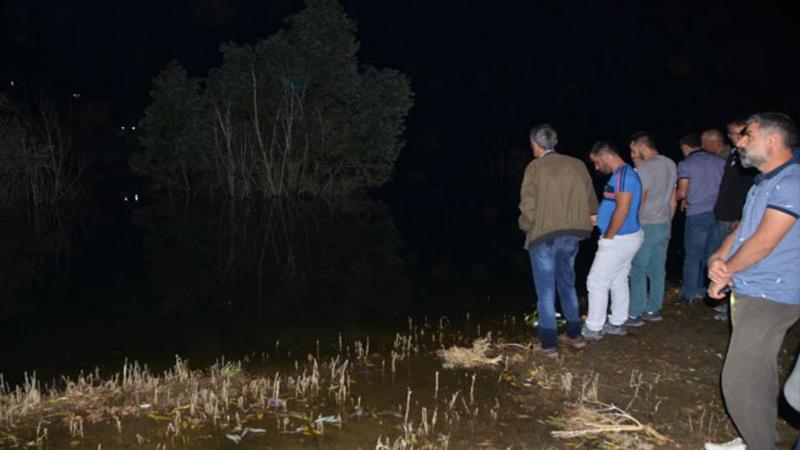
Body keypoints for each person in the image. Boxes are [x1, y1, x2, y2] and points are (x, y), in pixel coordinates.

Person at [704, 112, 800, 450]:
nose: (741, 142)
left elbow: (763, 243)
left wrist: (728, 269)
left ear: (772, 140)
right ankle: (758, 438)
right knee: (758, 376)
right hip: (751, 288)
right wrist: (719, 260)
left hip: (772, 294)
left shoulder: (792, 182)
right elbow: (743, 232)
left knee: (739, 381)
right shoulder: (763, 183)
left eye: (749, 135)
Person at [518, 124, 598, 357]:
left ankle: (549, 343)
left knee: (545, 291)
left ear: (535, 144)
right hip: (572, 235)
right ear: (556, 141)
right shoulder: (577, 164)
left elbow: (528, 205)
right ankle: (575, 334)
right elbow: (591, 198)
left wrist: (526, 227)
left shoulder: (535, 167)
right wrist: (591, 215)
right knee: (568, 284)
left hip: (544, 236)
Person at [582, 141, 643, 340]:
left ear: (606, 156)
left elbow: (623, 209)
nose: (597, 167)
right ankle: (617, 322)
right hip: (626, 236)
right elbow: (617, 205)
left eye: (597, 162)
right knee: (618, 280)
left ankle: (593, 327)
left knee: (596, 281)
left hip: (618, 239)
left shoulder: (624, 175)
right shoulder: (621, 175)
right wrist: (599, 218)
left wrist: (608, 236)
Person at [626, 132, 677, 325]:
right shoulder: (670, 163)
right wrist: (668, 222)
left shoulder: (645, 168)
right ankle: (653, 309)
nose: (631, 154)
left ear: (641, 147)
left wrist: (633, 225)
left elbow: (641, 199)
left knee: (638, 269)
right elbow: (673, 198)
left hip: (646, 225)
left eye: (633, 150)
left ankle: (635, 313)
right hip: (664, 223)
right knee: (657, 269)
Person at [710, 119, 758, 321]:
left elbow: (749, 190)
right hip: (723, 215)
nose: (738, 139)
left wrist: (740, 218)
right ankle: (725, 301)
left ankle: (735, 305)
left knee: (735, 260)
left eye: (742, 134)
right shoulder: (732, 155)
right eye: (734, 134)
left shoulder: (752, 159)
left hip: (736, 218)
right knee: (721, 258)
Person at [676, 133, 725, 304]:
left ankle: (689, 293)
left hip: (696, 213)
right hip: (718, 214)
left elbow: (682, 191)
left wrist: (673, 198)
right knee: (711, 255)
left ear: (685, 148)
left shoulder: (686, 164)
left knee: (692, 255)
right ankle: (707, 290)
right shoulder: (720, 162)